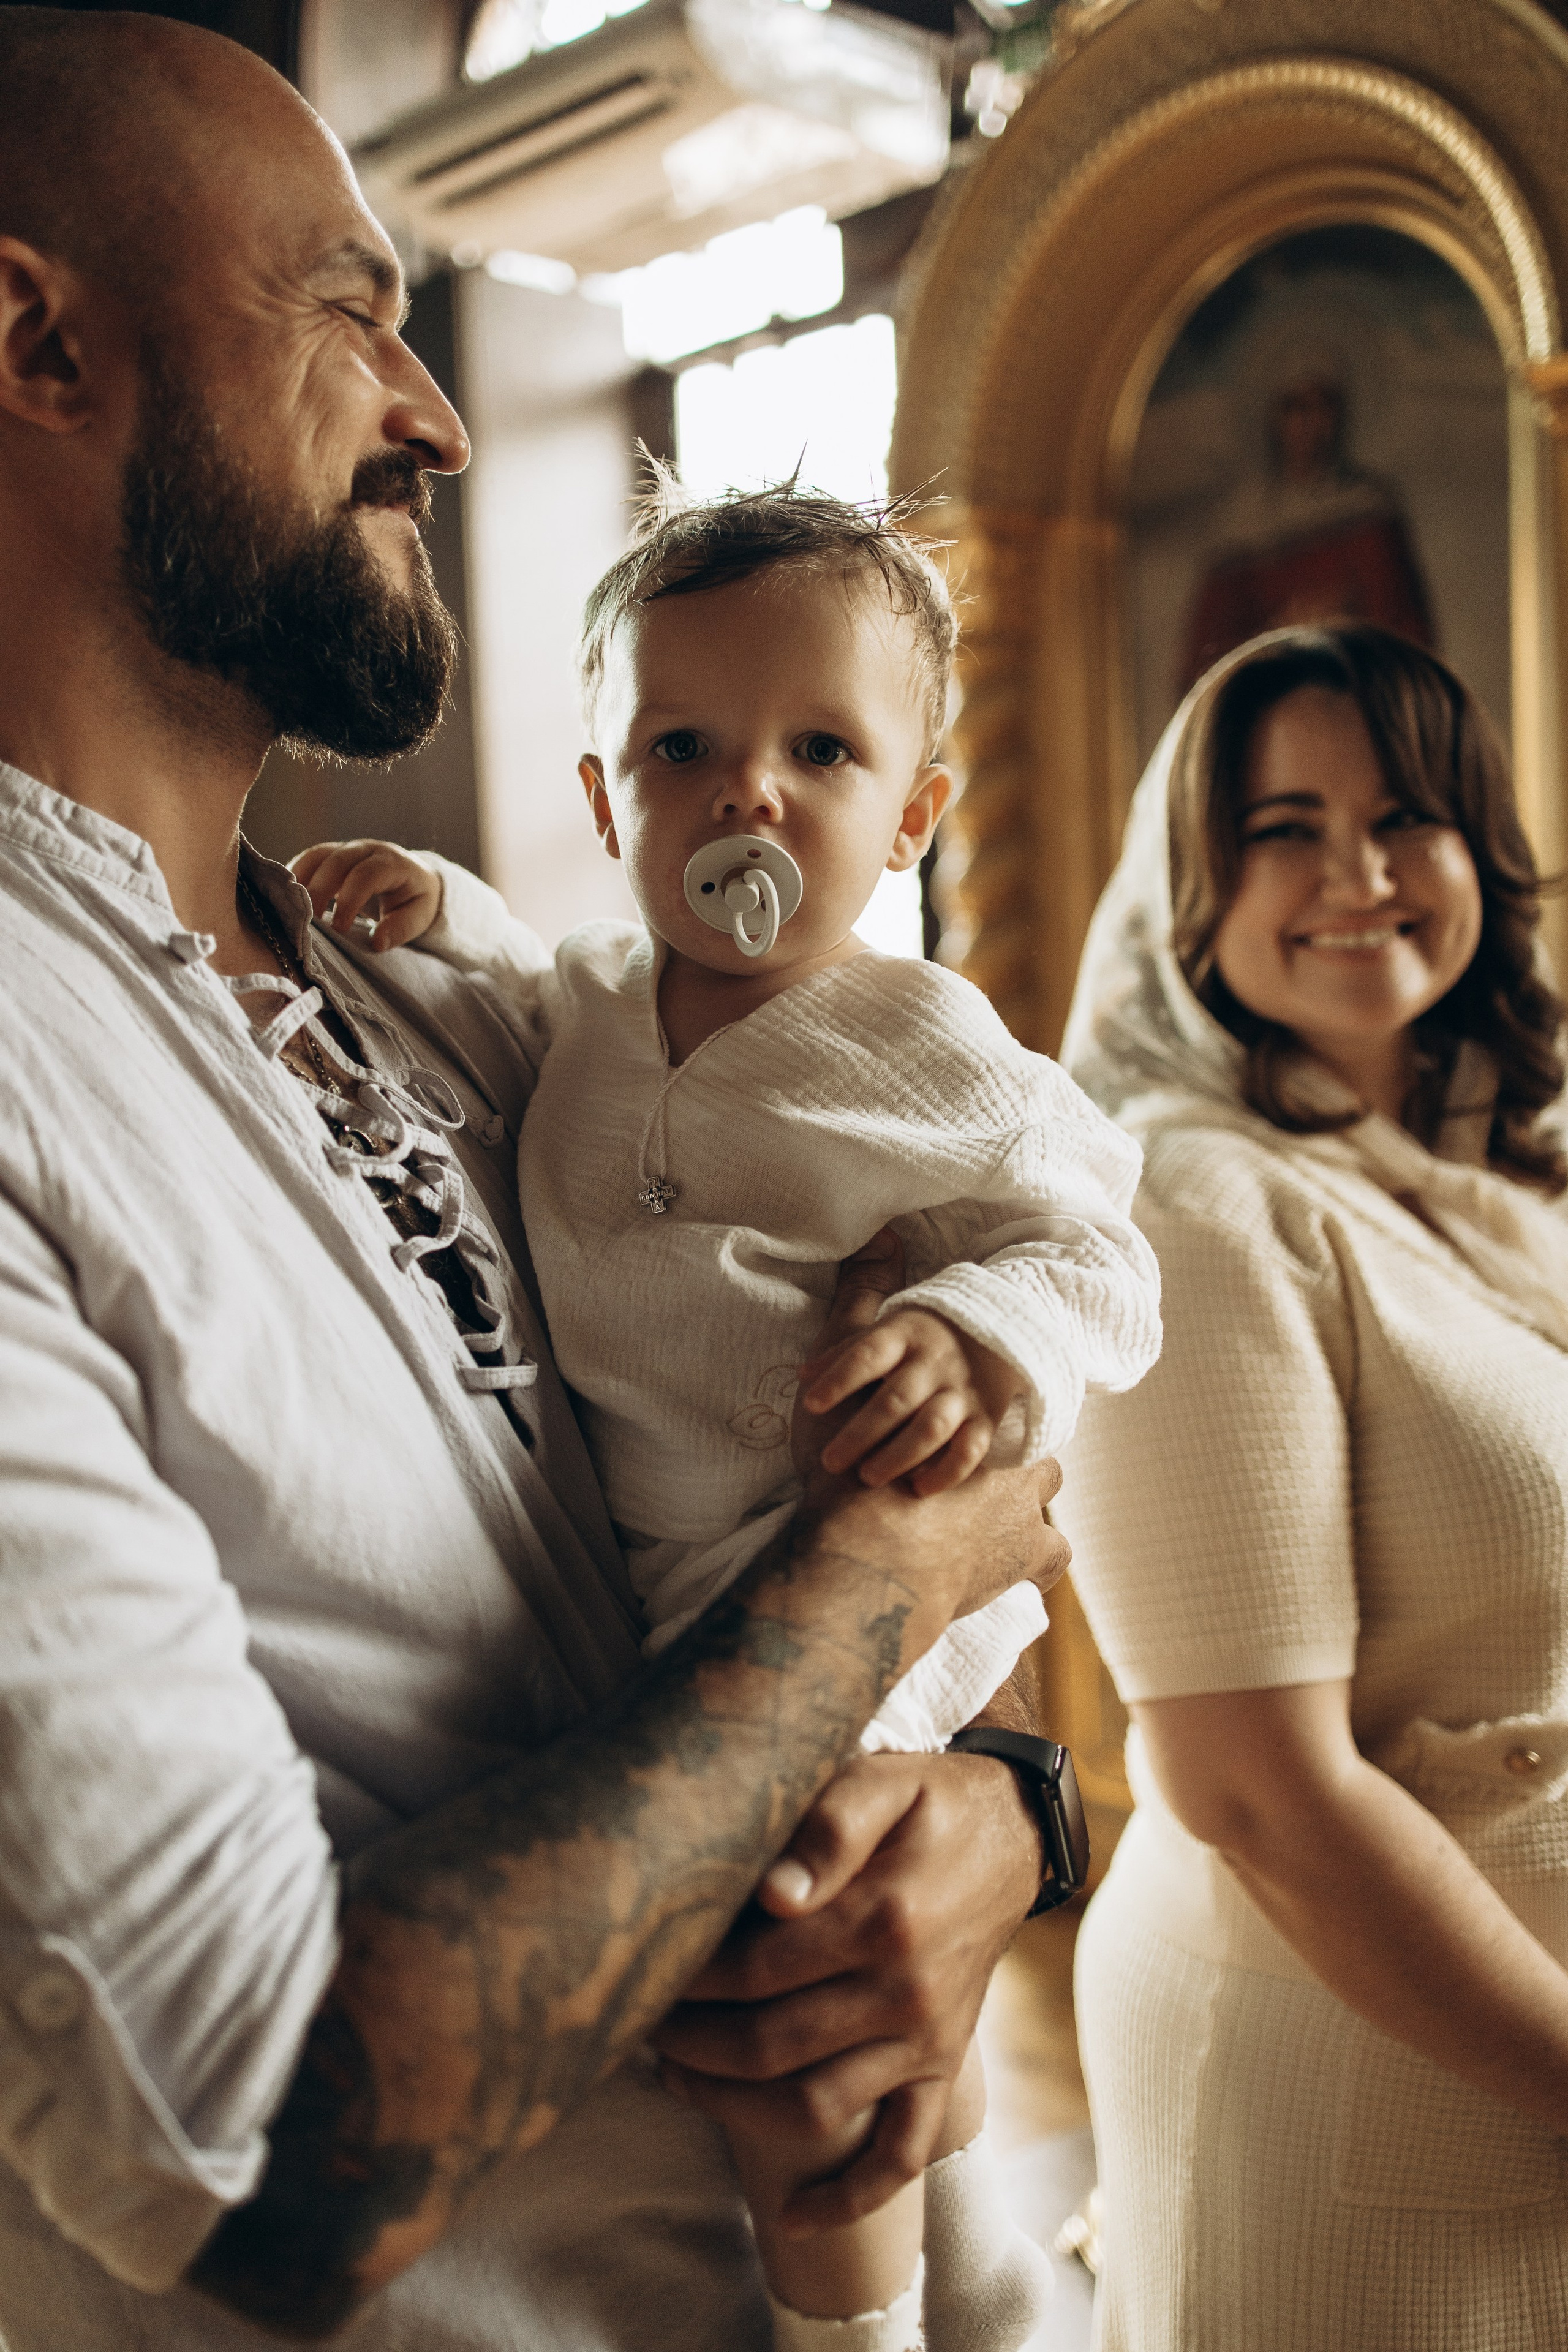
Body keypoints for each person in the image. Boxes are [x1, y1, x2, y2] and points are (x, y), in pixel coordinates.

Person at [0, 13, 1069, 2349]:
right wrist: (884, 1584)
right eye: (347, 306)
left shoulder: (446, 1005)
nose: (443, 412)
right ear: (33, 339)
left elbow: (760, 1462)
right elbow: (255, 2137)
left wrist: (998, 1813)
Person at [296, 473, 1163, 2350]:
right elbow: (513, 993)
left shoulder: (931, 1046)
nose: (744, 793)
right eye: (681, 746)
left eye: (819, 748)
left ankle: (851, 2322)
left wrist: (976, 1330)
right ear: (608, 801)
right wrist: (429, 900)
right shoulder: (593, 1001)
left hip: (828, 1543)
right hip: (665, 1606)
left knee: (817, 1938)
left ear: (912, 812)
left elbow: (1102, 1246)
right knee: (780, 1962)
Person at [1057, 620, 1568, 2349]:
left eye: (1406, 814)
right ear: (1195, 883)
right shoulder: (1197, 1216)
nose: (1356, 872)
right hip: (1374, 2070)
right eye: (1284, 827)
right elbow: (1255, 1788)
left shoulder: (1506, 1178)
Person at [1177, 356, 1434, 695]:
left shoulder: (1368, 511)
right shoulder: (1240, 530)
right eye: (1295, 407)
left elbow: (1409, 642)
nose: (1310, 423)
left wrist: (1344, 629)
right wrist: (1278, 636)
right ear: (1272, 418)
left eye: (1323, 406)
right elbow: (1206, 666)